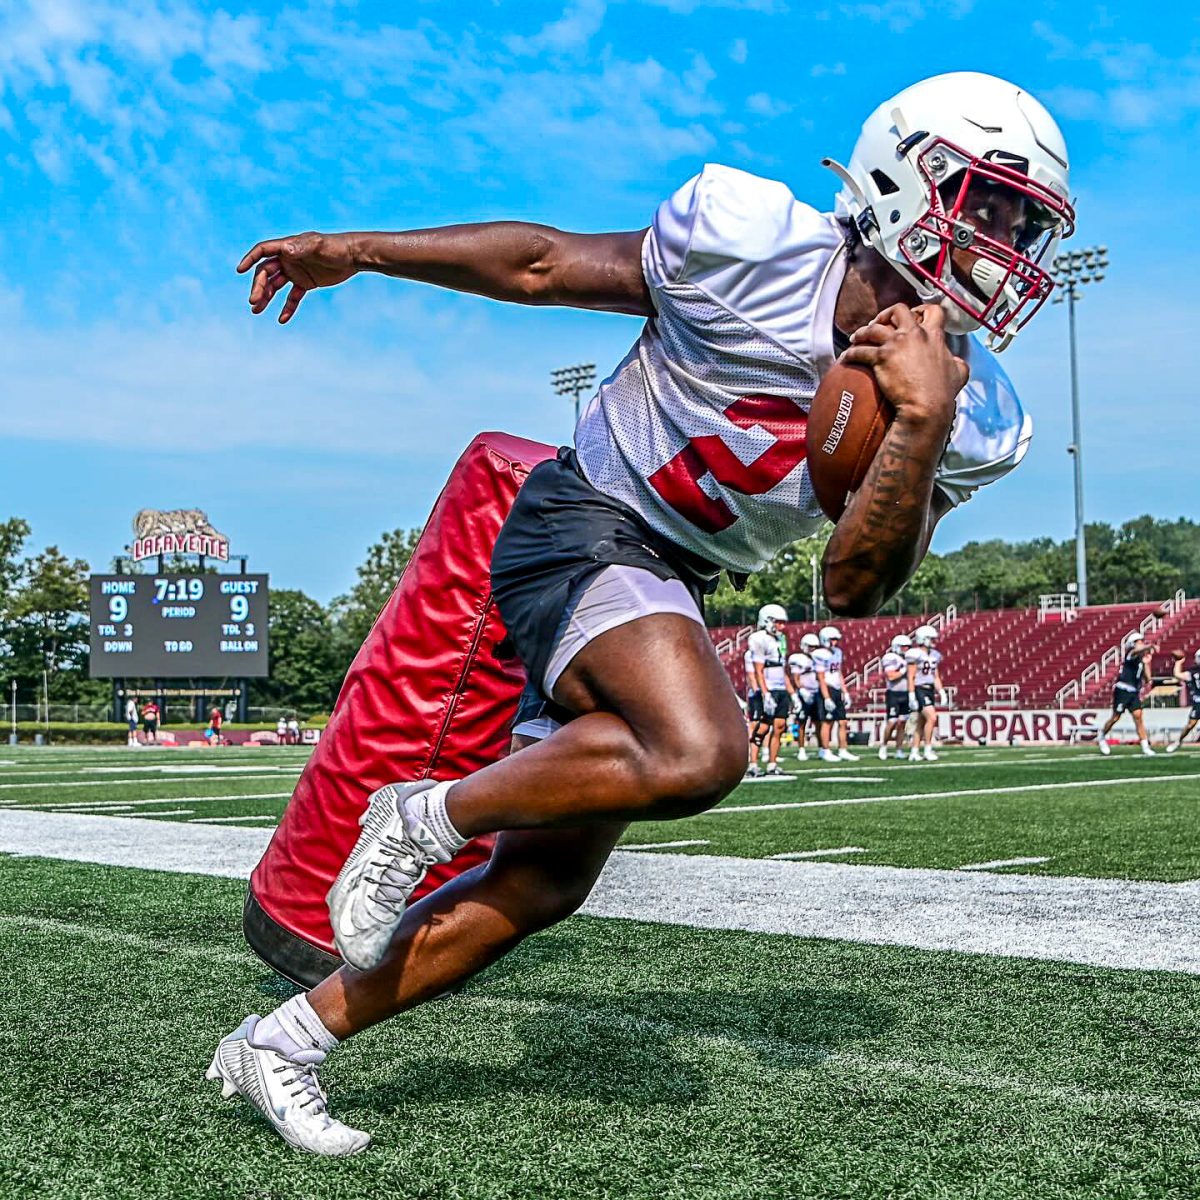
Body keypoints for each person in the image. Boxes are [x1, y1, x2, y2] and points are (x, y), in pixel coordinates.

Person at [210, 71, 1076, 1155]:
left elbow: (854, 585)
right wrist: (356, 251)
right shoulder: (754, 243)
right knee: (698, 749)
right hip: (583, 517)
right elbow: (541, 263)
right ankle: (424, 816)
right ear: (905, 177)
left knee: (543, 883)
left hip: (669, 582)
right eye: (988, 203)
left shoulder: (971, 403)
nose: (1006, 243)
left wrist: (918, 428)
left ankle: (284, 1041)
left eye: (1026, 222)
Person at [746, 604, 795, 776]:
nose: (782, 626)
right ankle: (753, 763)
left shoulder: (779, 639)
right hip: (769, 688)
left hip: (780, 687)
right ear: (768, 621)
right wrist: (765, 693)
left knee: (780, 726)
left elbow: (782, 668)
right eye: (779, 622)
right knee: (762, 727)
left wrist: (793, 694)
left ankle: (772, 764)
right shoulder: (759, 638)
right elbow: (758, 670)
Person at [1098, 633, 1158, 756]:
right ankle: (1102, 736)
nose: (1141, 643)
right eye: (1139, 641)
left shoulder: (1141, 659)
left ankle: (1145, 746)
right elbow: (1137, 650)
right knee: (1116, 717)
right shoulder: (1131, 654)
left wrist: (1146, 662)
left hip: (1134, 692)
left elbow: (1148, 679)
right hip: (1123, 689)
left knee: (1138, 717)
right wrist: (1149, 646)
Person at [812, 625, 858, 762]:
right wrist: (826, 698)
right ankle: (825, 750)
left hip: (836, 689)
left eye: (836, 640)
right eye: (832, 639)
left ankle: (843, 749)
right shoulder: (819, 654)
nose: (835, 642)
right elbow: (820, 677)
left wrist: (845, 691)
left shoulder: (837, 652)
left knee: (843, 722)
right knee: (827, 722)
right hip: (826, 688)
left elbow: (838, 673)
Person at [905, 624, 945, 761]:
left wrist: (941, 691)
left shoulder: (934, 655)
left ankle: (914, 752)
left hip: (929, 689)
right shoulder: (915, 654)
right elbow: (911, 676)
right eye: (930, 638)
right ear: (923, 639)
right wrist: (911, 695)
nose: (933, 641)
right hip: (919, 689)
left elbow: (936, 676)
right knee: (932, 718)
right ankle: (928, 749)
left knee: (921, 723)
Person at [788, 631, 822, 762]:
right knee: (802, 722)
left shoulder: (818, 658)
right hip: (804, 693)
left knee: (818, 722)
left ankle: (821, 749)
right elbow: (796, 677)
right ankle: (801, 749)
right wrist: (801, 690)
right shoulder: (798, 659)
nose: (813, 649)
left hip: (816, 692)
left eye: (815, 647)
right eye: (811, 646)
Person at [878, 634, 913, 760]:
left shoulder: (908, 658)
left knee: (902, 722)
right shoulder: (890, 657)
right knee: (892, 722)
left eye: (908, 647)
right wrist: (904, 671)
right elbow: (891, 676)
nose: (907, 650)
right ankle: (883, 746)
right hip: (894, 693)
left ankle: (899, 749)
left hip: (906, 693)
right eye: (904, 647)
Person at [1166, 650, 1200, 753]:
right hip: (1198, 702)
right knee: (1190, 725)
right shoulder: (1192, 672)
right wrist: (1178, 662)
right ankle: (1178, 741)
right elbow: (1177, 675)